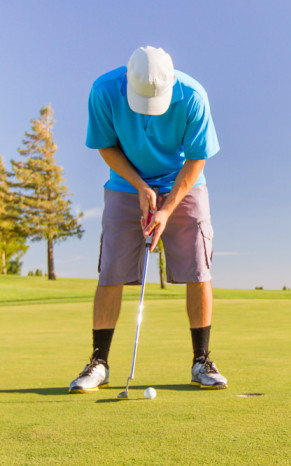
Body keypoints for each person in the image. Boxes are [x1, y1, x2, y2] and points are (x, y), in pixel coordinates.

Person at [69, 46, 227, 393]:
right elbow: (105, 145)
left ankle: (202, 361)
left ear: (172, 82)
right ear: (127, 80)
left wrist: (168, 209)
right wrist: (140, 186)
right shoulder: (104, 91)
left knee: (198, 268)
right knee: (111, 270)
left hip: (184, 182)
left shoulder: (193, 97)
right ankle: (99, 362)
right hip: (126, 183)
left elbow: (197, 158)